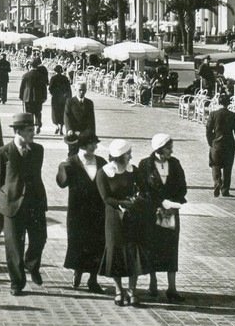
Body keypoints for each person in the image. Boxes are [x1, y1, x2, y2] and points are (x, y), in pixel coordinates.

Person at [0, 112, 47, 296]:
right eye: (30, 130)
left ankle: (31, 264)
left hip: (35, 203)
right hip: (12, 204)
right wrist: (9, 195)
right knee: (14, 246)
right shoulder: (3, 153)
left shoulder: (38, 150)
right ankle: (17, 282)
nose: (34, 133)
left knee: (39, 238)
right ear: (19, 131)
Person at [96, 139, 150, 307]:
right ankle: (119, 290)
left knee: (133, 252)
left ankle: (132, 290)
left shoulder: (133, 170)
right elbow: (106, 198)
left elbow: (143, 189)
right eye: (128, 154)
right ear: (120, 157)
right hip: (114, 218)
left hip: (132, 216)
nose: (130, 157)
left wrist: (136, 201)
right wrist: (122, 204)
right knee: (115, 252)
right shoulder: (103, 173)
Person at [137, 133, 188, 302]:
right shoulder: (145, 165)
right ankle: (153, 282)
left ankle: (172, 287)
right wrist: (158, 204)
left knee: (171, 247)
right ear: (159, 149)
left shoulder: (175, 164)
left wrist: (174, 203)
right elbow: (143, 189)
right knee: (152, 246)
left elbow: (182, 186)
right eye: (168, 148)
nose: (171, 151)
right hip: (153, 212)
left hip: (171, 212)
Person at [56, 131, 106, 294]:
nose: (96, 146)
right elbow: (61, 183)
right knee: (78, 242)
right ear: (83, 145)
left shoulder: (101, 161)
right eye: (92, 143)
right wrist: (61, 168)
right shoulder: (72, 162)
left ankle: (93, 279)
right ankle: (77, 273)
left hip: (98, 210)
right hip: (78, 211)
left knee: (97, 244)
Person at [205, 92, 235, 197]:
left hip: (216, 145)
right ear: (228, 104)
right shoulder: (233, 116)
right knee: (227, 168)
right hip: (229, 145)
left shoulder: (213, 114)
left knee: (215, 165)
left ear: (219, 102)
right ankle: (225, 190)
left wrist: (211, 142)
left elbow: (208, 130)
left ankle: (217, 182)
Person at [63, 82, 96, 155]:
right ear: (75, 89)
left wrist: (92, 134)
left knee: (86, 154)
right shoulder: (70, 102)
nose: (82, 92)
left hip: (85, 133)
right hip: (73, 133)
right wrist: (69, 129)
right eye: (80, 90)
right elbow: (66, 116)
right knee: (72, 153)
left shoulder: (89, 103)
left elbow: (91, 119)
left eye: (84, 90)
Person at [18, 57, 49, 134]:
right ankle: (38, 125)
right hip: (38, 97)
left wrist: (21, 96)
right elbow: (44, 87)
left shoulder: (25, 75)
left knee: (29, 113)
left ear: (30, 66)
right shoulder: (41, 76)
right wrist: (44, 96)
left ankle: (30, 127)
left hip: (27, 97)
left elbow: (22, 87)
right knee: (38, 112)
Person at [48, 65, 72, 135]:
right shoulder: (65, 78)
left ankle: (56, 126)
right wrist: (69, 97)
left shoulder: (53, 78)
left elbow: (50, 88)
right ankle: (61, 128)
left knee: (55, 113)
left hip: (55, 98)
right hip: (63, 98)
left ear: (55, 71)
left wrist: (53, 94)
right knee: (62, 113)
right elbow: (68, 89)